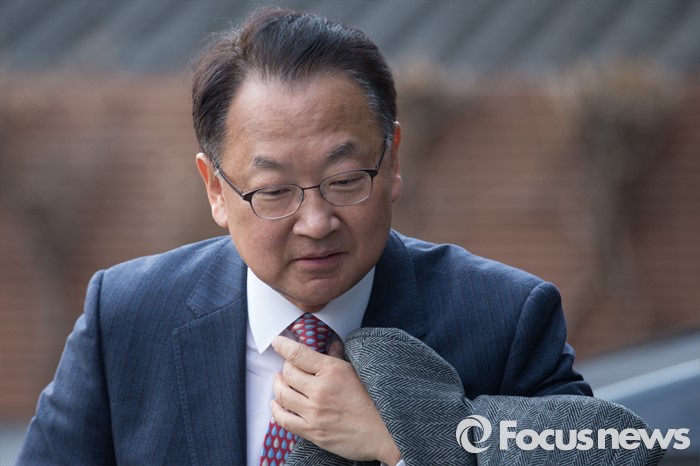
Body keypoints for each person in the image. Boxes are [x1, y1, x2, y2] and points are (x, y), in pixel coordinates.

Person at [18, 7, 662, 466]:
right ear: (215, 189)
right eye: (273, 191)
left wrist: (410, 437)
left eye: (345, 179)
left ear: (393, 159)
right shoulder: (128, 315)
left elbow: (611, 448)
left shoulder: (502, 314)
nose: (316, 221)